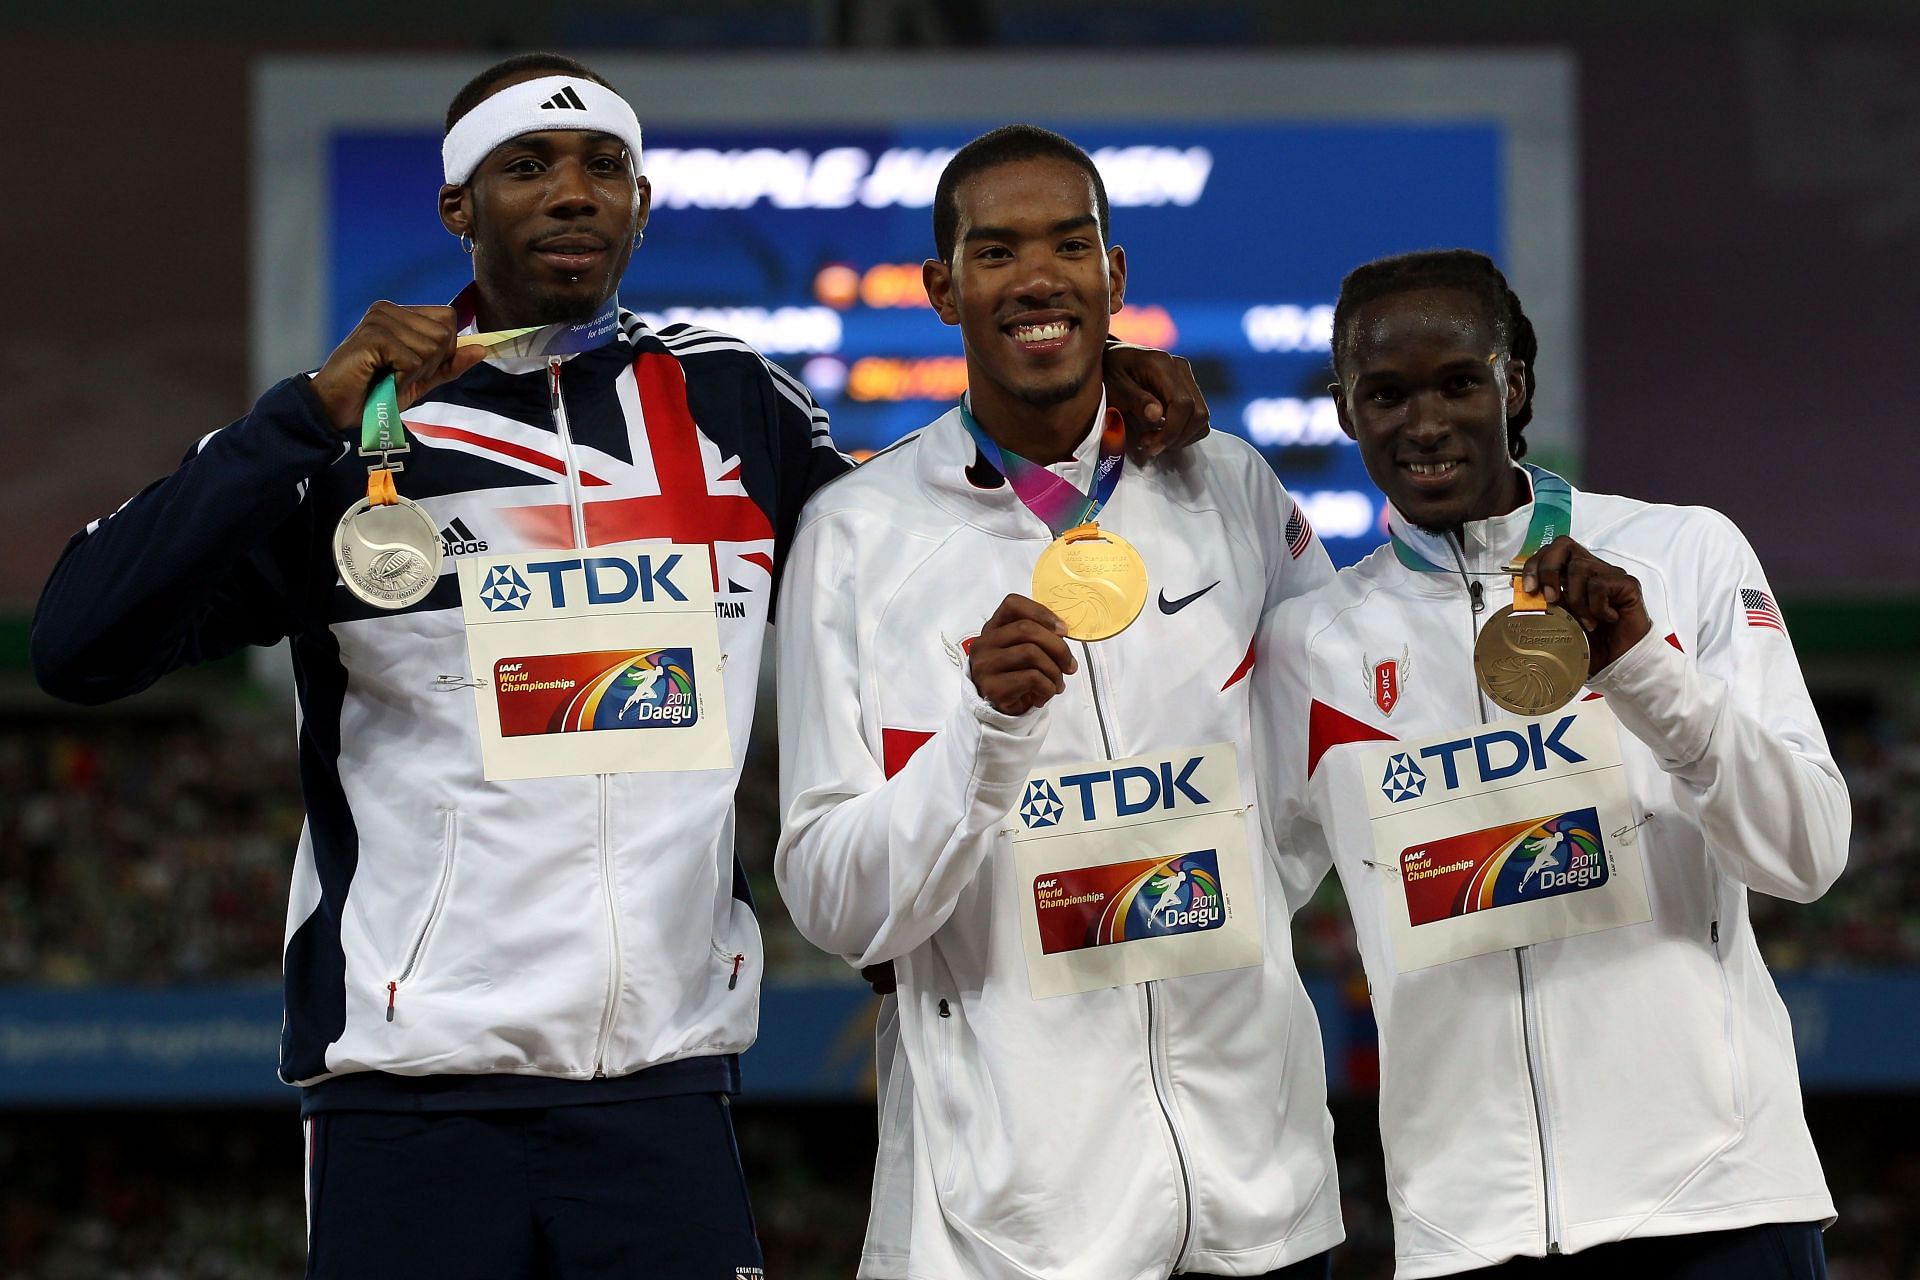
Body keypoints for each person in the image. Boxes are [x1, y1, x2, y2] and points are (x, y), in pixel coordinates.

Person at [30, 56, 1213, 1280]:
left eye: (604, 167)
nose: (573, 194)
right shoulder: (358, 440)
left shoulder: (731, 402)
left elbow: (915, 547)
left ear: (642, 205)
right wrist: (300, 416)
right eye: (527, 167)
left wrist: (1074, 391)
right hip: (409, 1088)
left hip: (662, 1087)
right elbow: (78, 643)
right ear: (459, 210)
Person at [774, 125, 1344, 1280]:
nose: (1037, 277)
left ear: (1114, 276)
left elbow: (1327, 759)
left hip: (1259, 1192)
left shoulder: (1228, 484)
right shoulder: (856, 535)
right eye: (995, 252)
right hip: (1008, 1219)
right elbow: (831, 896)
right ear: (942, 289)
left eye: (1069, 244)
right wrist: (978, 740)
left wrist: (1216, 898)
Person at [1254, 248, 1845, 1278]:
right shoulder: (1314, 647)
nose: (1424, 422)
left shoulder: (1682, 556)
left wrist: (1644, 670)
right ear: (1347, 413)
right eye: (1385, 393)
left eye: (1457, 382)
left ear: (1513, 383)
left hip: (1715, 1204)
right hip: (1466, 1229)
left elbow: (1807, 850)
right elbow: (1234, 890)